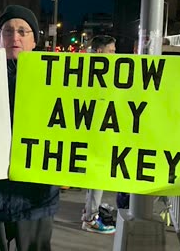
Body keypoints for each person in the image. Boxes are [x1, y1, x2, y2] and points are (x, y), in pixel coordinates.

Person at [0, 5, 59, 251]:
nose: (14, 37)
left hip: (36, 197)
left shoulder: (57, 81)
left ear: (34, 40)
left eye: (22, 31)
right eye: (7, 31)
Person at [81, 35, 117, 235]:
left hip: (95, 130)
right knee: (98, 174)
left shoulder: (87, 68)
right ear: (99, 51)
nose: (114, 54)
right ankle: (91, 218)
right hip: (95, 131)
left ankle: (89, 212)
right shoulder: (94, 71)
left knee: (95, 174)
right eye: (111, 51)